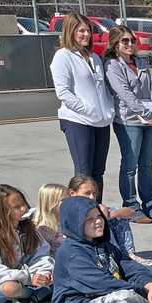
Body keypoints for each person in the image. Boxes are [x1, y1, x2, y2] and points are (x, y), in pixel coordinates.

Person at [103, 24, 152, 223]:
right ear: (115, 43)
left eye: (132, 40)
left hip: (149, 119)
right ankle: (131, 207)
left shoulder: (140, 62)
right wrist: (146, 113)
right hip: (128, 121)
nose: (130, 44)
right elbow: (124, 93)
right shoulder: (112, 65)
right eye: (125, 41)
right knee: (130, 165)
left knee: (147, 164)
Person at [50, 12, 114, 193]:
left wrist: (107, 110)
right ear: (71, 32)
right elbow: (63, 92)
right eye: (81, 31)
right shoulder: (63, 56)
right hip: (78, 121)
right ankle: (81, 213)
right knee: (84, 174)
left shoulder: (93, 57)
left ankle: (96, 214)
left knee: (98, 172)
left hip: (101, 122)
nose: (86, 35)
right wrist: (88, 109)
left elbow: (102, 88)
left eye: (88, 31)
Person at [68, 175, 152, 266]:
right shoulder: (70, 212)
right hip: (90, 250)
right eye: (87, 193)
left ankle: (129, 254)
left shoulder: (97, 208)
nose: (92, 197)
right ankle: (113, 256)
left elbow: (132, 213)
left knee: (117, 215)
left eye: (94, 193)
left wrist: (110, 214)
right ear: (72, 193)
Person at [34, 182, 68, 257]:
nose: (68, 202)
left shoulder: (65, 220)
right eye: (63, 200)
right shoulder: (43, 228)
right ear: (50, 203)